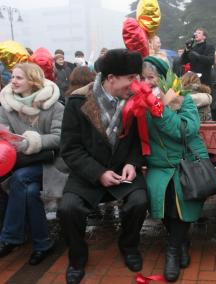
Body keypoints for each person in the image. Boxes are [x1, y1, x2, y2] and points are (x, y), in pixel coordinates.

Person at [58, 49, 148, 284]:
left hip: (122, 169)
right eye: (131, 78)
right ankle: (77, 258)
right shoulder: (78, 101)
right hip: (89, 172)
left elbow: (139, 142)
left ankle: (129, 246)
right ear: (111, 78)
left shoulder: (134, 101)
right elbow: (70, 148)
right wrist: (98, 173)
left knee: (139, 201)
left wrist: (132, 163)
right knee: (68, 209)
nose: (136, 84)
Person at [140, 55, 209, 282]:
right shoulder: (139, 102)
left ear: (163, 79)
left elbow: (186, 130)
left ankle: (172, 249)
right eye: (143, 78)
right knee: (161, 192)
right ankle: (180, 243)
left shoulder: (182, 98)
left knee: (177, 189)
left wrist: (160, 111)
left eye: (151, 77)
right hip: (158, 165)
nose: (147, 82)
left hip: (186, 162)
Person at [0, 63, 66, 265]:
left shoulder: (55, 106)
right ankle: (42, 243)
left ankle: (10, 237)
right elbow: (4, 137)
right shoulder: (6, 107)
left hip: (52, 162)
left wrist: (32, 142)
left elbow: (59, 138)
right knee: (28, 190)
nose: (13, 81)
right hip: (21, 162)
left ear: (33, 80)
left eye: (19, 77)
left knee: (21, 179)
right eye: (12, 77)